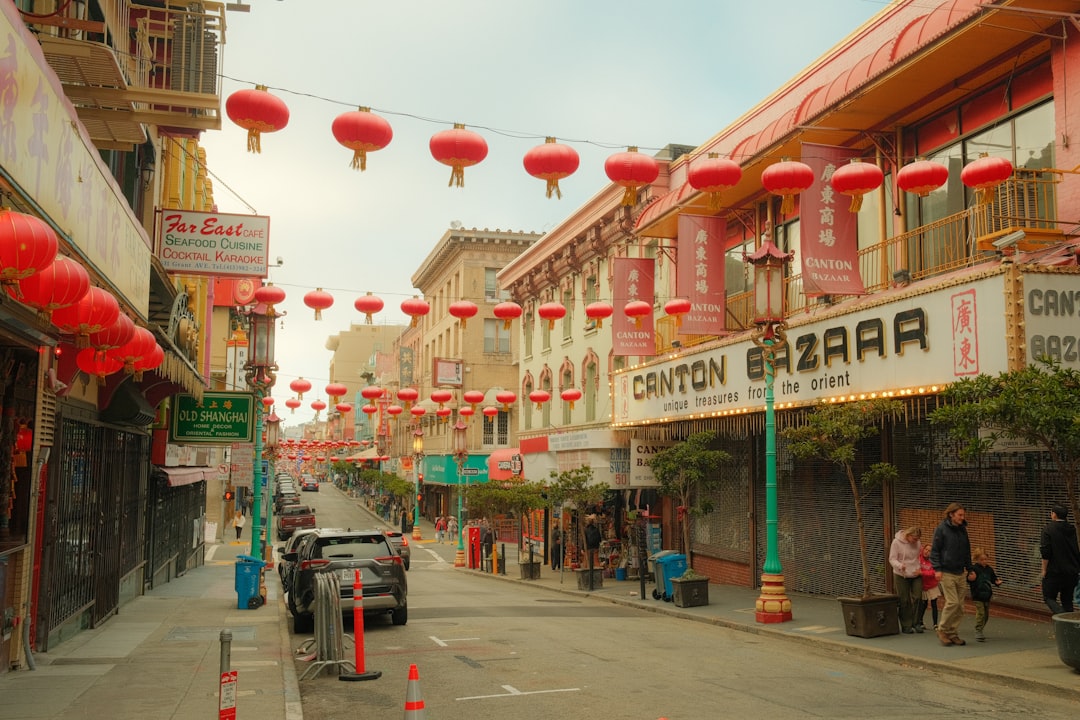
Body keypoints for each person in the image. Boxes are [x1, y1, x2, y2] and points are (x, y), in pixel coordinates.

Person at [931, 501, 973, 646]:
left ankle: (952, 632)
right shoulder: (941, 529)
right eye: (960, 515)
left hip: (960, 571)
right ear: (951, 514)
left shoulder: (962, 530)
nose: (962, 517)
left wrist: (970, 569)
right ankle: (942, 629)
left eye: (963, 515)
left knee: (960, 606)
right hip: (946, 571)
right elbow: (935, 551)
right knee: (953, 602)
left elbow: (967, 550)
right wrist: (937, 569)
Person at [1040, 504, 1080, 615]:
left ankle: (1062, 617)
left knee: (1048, 597)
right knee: (1067, 600)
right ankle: (1070, 627)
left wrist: (1044, 570)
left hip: (1054, 571)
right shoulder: (1072, 529)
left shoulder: (1048, 529)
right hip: (1071, 571)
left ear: (1054, 514)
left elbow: (1045, 552)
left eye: (1051, 512)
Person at [889, 526, 923, 633]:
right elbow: (892, 558)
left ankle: (916, 622)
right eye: (914, 538)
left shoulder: (917, 543)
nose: (916, 541)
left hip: (915, 572)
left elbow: (918, 556)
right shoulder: (896, 542)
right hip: (901, 573)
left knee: (918, 597)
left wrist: (920, 567)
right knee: (904, 599)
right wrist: (899, 565)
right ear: (908, 535)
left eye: (917, 539)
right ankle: (906, 624)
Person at [967, 547, 1003, 642]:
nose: (984, 561)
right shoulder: (974, 569)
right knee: (981, 612)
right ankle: (978, 630)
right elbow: (969, 579)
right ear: (977, 559)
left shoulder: (989, 569)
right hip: (977, 595)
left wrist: (997, 582)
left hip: (987, 595)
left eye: (985, 559)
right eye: (981, 560)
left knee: (986, 615)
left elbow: (993, 578)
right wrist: (970, 578)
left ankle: (981, 629)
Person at [918, 543, 941, 632]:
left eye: (930, 551)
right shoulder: (919, 558)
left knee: (934, 604)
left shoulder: (934, 561)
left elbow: (933, 573)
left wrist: (922, 573)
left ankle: (935, 624)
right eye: (926, 549)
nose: (927, 552)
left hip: (932, 586)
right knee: (923, 604)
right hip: (923, 586)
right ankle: (920, 621)